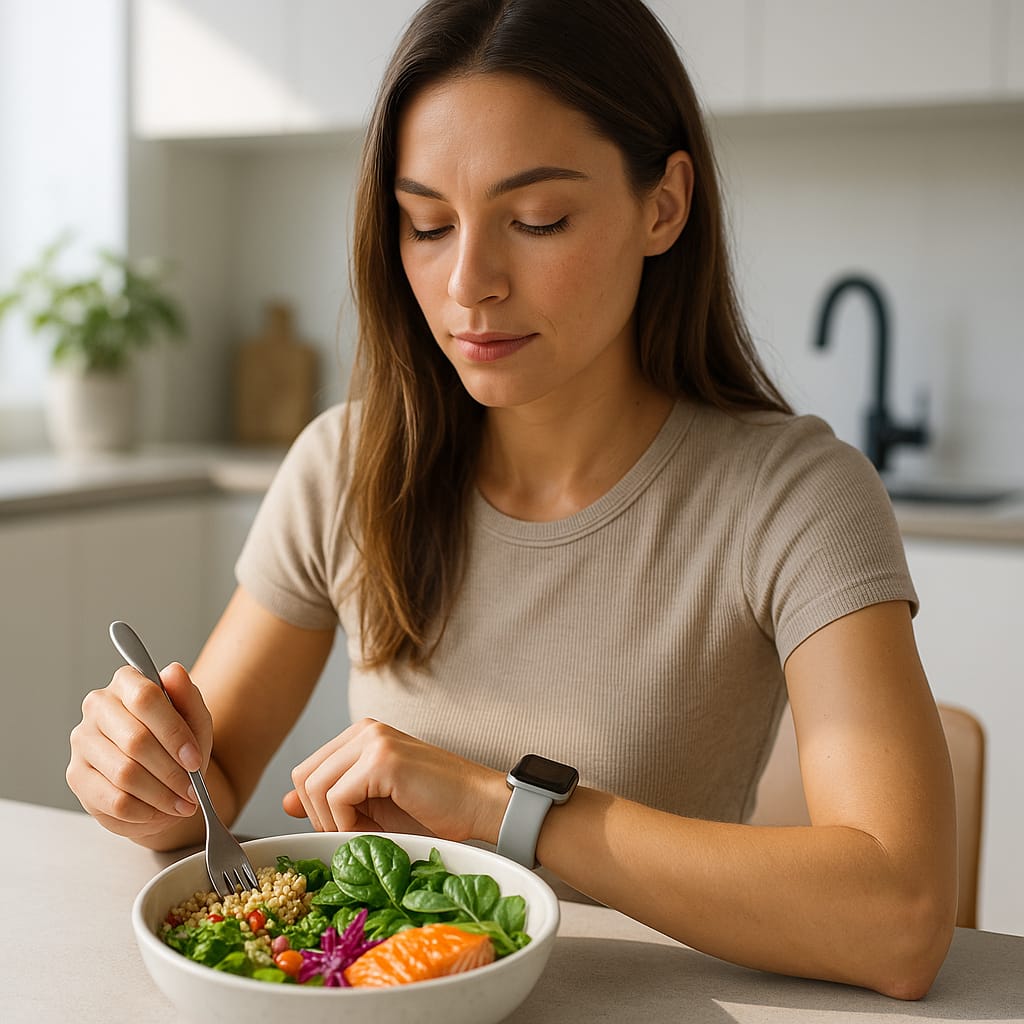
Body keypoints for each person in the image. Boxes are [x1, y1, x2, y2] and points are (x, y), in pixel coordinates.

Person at [66, 0, 956, 1000]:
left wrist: (502, 807)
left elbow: (900, 917)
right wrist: (142, 779)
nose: (468, 283)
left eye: (537, 220)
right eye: (427, 224)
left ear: (663, 205)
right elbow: (206, 795)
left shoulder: (792, 497)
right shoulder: (347, 463)